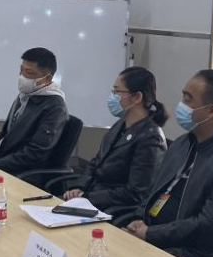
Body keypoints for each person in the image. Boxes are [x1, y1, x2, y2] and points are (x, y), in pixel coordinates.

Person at [125, 69, 213, 257]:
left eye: (188, 99)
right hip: (157, 237)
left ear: (211, 110)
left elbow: (207, 226)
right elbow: (153, 190)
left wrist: (150, 233)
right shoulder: (183, 143)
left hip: (194, 254)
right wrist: (139, 220)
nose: (181, 104)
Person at [61, 67, 168, 224]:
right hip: (90, 200)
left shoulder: (151, 137)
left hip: (111, 208)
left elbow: (135, 193)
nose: (112, 96)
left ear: (137, 97)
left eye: (117, 92)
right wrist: (79, 188)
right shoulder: (121, 124)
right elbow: (97, 161)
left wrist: (88, 197)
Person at [0, 48, 68, 175]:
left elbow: (34, 154)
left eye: (29, 73)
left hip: (24, 174)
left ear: (47, 79)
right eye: (21, 70)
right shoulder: (24, 97)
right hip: (3, 164)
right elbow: (3, 136)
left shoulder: (55, 107)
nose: (22, 77)